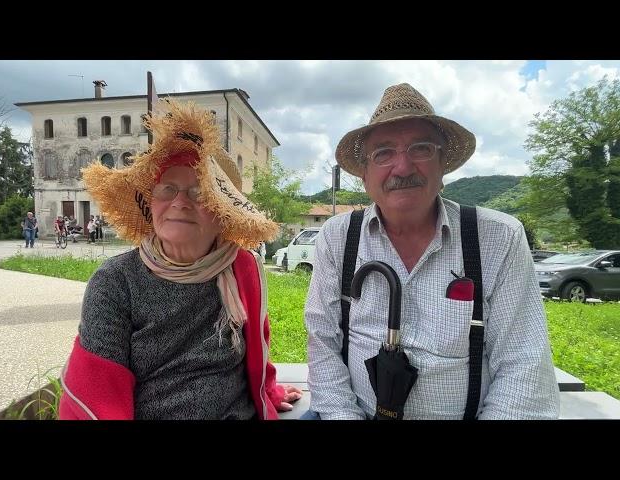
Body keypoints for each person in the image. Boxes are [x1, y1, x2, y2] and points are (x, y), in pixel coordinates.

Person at [303, 83, 560, 420]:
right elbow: (323, 344)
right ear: (365, 176)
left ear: (443, 166)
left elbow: (523, 369)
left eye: (420, 149)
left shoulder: (499, 237)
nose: (403, 167)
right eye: (383, 153)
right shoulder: (338, 236)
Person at [59, 98, 302, 420]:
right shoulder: (116, 280)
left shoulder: (242, 267)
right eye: (167, 189)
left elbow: (257, 345)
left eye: (199, 193)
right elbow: (98, 386)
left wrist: (268, 390)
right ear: (151, 204)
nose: (179, 202)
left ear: (222, 215)